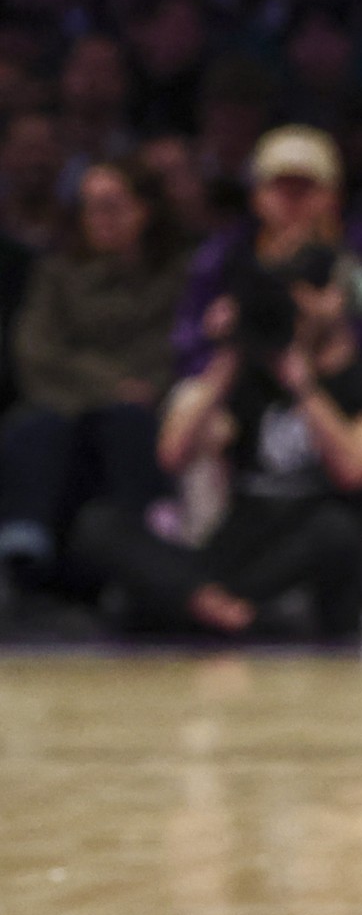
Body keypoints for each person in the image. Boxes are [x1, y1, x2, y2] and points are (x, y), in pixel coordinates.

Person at [74, 245, 362, 637]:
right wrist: (229, 352)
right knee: (98, 524)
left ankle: (194, 607)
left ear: (342, 298)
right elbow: (172, 455)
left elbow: (354, 472)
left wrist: (303, 388)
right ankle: (220, 609)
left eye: (312, 289)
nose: (299, 302)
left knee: (336, 530)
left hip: (308, 550)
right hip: (237, 549)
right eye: (289, 291)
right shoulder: (249, 377)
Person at [0, 159, 188, 620]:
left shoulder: (174, 276)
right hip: (68, 406)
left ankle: (134, 564)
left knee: (127, 426)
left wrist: (133, 389)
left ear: (145, 211)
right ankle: (23, 553)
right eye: (89, 208)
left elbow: (174, 349)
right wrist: (111, 385)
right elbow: (36, 351)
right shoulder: (58, 274)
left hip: (144, 407)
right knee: (36, 426)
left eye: (112, 206)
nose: (98, 218)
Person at [175, 125, 362, 383]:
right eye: (280, 187)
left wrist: (338, 323)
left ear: (335, 196)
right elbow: (187, 347)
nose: (292, 201)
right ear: (256, 196)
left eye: (306, 188)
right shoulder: (223, 254)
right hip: (244, 383)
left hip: (342, 385)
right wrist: (216, 331)